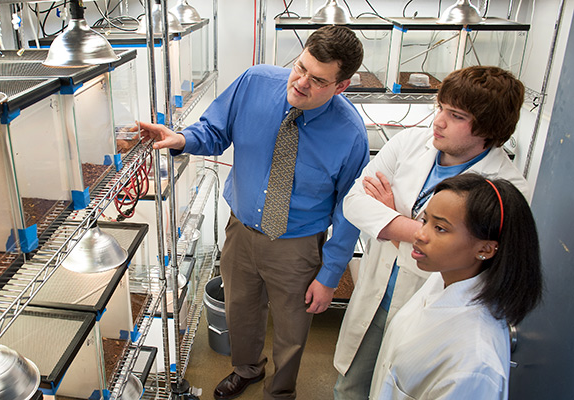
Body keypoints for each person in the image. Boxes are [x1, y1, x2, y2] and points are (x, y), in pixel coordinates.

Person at [138, 25, 368, 399]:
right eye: (301, 68)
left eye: (318, 80)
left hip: (296, 244)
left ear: (340, 87)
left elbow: (349, 210)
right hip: (241, 230)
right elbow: (215, 130)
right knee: (240, 310)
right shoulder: (255, 82)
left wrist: (329, 275)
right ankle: (246, 370)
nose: (301, 83)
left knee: (293, 329)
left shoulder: (351, 135)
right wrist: (182, 139)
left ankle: (280, 391)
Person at [333, 65, 529, 400]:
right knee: (349, 387)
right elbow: (354, 202)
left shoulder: (506, 190)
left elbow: (472, 265)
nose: (438, 121)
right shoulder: (413, 141)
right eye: (440, 108)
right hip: (378, 295)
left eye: (455, 115)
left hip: (432, 307)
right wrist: (427, 232)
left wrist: (393, 220)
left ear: (489, 128)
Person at [370, 173, 543, 399]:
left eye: (440, 228)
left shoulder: (475, 363)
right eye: (425, 220)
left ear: (485, 249)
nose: (420, 234)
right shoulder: (443, 278)